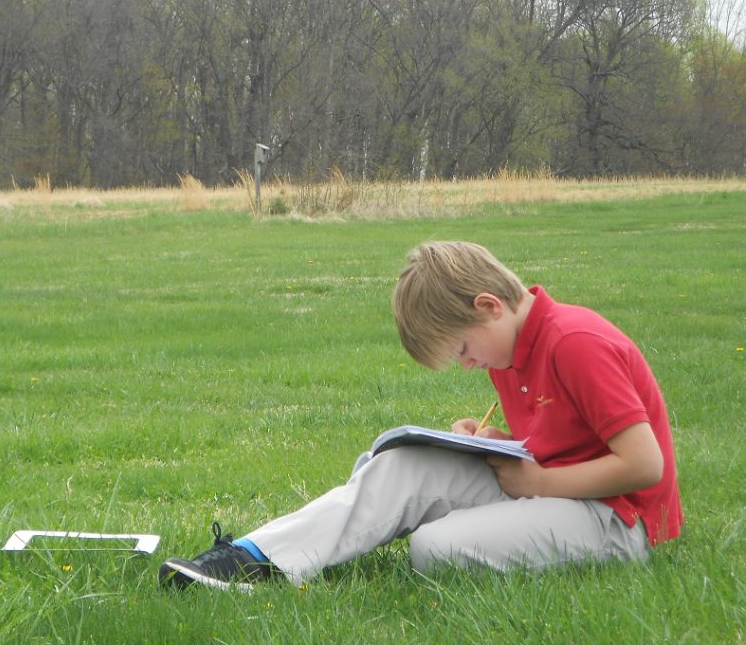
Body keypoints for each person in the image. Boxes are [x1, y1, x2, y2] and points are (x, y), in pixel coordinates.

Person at [158, 241, 682, 590]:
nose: (467, 364)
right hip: (557, 488)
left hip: (620, 521)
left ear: (488, 306)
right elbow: (563, 435)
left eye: (462, 349)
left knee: (437, 548)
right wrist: (495, 440)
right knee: (400, 467)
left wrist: (537, 480)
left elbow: (643, 466)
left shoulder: (574, 341)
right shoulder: (508, 347)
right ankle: (252, 559)